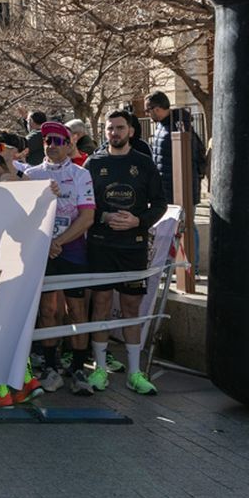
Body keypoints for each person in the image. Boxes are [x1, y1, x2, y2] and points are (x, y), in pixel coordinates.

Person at [85, 110, 168, 396]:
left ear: (131, 131)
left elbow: (160, 204)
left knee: (131, 308)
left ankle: (134, 372)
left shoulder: (144, 163)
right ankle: (99, 368)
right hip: (101, 246)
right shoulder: (94, 163)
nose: (114, 133)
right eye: (110, 128)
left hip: (133, 247)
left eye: (120, 127)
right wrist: (104, 217)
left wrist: (138, 221)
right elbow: (84, 205)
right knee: (101, 305)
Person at [23, 121, 97, 396]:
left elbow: (87, 217)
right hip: (42, 251)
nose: (51, 145)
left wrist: (58, 242)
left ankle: (78, 367)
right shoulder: (31, 174)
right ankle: (50, 366)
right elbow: (23, 216)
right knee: (48, 310)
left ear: (69, 145)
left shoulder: (80, 174)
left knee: (76, 310)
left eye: (57, 141)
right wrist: (45, 243)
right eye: (47, 140)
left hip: (72, 249)